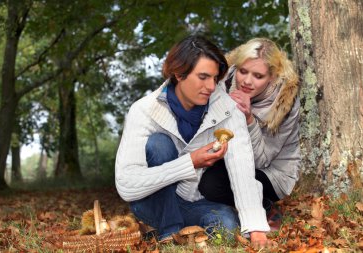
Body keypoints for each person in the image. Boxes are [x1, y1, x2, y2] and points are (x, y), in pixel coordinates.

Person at [115, 35, 272, 247]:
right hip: (151, 201)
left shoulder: (226, 108)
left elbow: (242, 168)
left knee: (226, 227)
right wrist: (190, 163)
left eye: (215, 78)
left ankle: (173, 229)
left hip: (192, 202)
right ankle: (168, 232)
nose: (211, 86)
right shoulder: (143, 111)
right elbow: (126, 184)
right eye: (203, 77)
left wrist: (256, 229)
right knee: (159, 144)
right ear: (179, 74)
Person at [199, 38, 301, 227]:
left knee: (211, 184)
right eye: (243, 71)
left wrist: (249, 119)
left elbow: (263, 160)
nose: (246, 81)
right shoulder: (223, 79)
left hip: (271, 173)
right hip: (228, 156)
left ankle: (266, 206)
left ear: (272, 76)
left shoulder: (283, 103)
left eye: (258, 76)